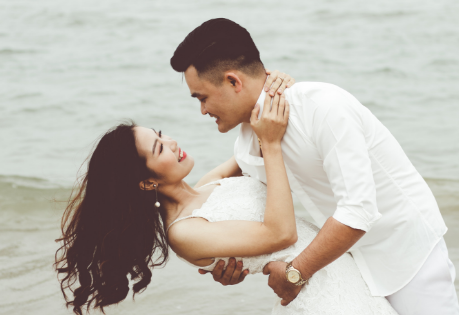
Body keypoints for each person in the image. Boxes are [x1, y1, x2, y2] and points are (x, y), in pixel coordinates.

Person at [170, 18, 459, 315]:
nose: (203, 110)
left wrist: (296, 273)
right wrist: (233, 262)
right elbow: (234, 206)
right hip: (341, 266)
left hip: (405, 254)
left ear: (234, 81)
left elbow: (358, 210)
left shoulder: (323, 108)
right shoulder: (245, 144)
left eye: (202, 97)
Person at [54, 93, 398, 314]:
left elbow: (250, 138)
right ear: (147, 182)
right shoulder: (184, 234)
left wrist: (274, 88)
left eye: (159, 133)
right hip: (320, 299)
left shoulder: (207, 186)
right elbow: (281, 233)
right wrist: (273, 146)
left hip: (339, 276)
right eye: (159, 148)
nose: (171, 142)